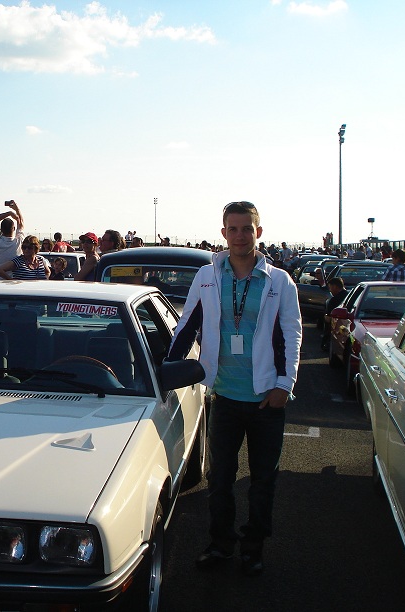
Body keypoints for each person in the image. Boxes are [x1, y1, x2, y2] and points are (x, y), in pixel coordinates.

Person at [166, 201, 302, 577]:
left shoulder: (279, 281)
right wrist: (165, 371)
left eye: (247, 229)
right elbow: (187, 326)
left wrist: (284, 385)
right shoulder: (208, 277)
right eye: (233, 229)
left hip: (266, 402)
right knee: (220, 480)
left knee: (262, 483)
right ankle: (221, 544)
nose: (240, 236)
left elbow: (292, 334)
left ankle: (253, 547)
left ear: (259, 232)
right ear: (223, 233)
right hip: (223, 396)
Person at [0, 200, 24, 279]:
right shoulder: (18, 242)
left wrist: (9, 213)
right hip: (14, 280)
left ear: (0, 229)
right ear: (14, 228)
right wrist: (17, 209)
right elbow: (21, 223)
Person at [321, 277, 348, 351]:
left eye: (330, 288)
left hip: (337, 330)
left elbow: (328, 319)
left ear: (335, 286)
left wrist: (325, 316)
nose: (330, 290)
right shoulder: (349, 296)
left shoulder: (334, 300)